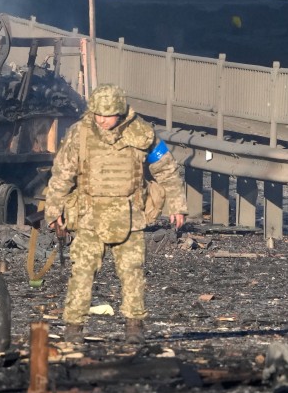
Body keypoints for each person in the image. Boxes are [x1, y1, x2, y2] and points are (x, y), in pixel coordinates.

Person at [44, 84, 187, 344]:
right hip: (89, 216)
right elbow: (62, 174)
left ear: (120, 113)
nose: (102, 120)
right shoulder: (81, 134)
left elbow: (166, 169)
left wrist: (177, 205)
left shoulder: (142, 133)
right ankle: (73, 329)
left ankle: (135, 328)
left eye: (107, 115)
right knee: (82, 273)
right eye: (98, 114)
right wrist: (54, 210)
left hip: (130, 216)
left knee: (132, 273)